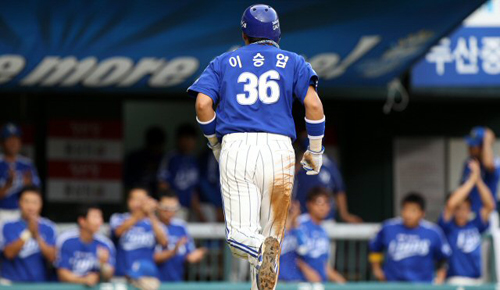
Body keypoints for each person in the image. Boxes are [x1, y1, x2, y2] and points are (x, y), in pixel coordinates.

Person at [188, 4, 325, 290]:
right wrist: (315, 150)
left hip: (238, 146)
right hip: (281, 150)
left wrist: (214, 141)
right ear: (277, 34)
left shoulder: (225, 61)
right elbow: (313, 105)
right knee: (270, 245)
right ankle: (266, 252)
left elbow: (202, 104)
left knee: (242, 238)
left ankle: (260, 249)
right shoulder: (294, 61)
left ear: (244, 34)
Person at [369, 193, 451, 283]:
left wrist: (439, 280)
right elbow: (374, 248)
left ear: (422, 213)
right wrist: (377, 270)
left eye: (413, 210)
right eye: (405, 209)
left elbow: (443, 259)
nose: (408, 215)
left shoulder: (433, 232)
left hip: (422, 285)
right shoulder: (388, 227)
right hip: (393, 284)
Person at [438, 159, 495, 285]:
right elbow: (451, 204)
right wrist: (470, 181)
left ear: (470, 210)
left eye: (465, 209)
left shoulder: (475, 224)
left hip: (477, 280)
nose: (462, 212)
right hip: (455, 280)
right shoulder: (448, 226)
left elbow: (490, 205)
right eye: (459, 208)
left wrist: (478, 180)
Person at [280, 190, 345, 283]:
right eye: (319, 203)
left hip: (317, 284)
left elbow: (323, 264)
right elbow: (294, 254)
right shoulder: (299, 223)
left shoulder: (323, 231)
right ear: (309, 204)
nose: (323, 207)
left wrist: (342, 283)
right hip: (295, 282)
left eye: (327, 203)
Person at [293, 136, 361, 222]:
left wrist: (344, 213)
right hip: (302, 216)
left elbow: (339, 189)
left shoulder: (328, 164)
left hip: (326, 218)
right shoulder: (297, 166)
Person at [0, 186, 56, 282]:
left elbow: (53, 258)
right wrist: (28, 233)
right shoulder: (7, 225)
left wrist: (37, 236)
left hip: (39, 284)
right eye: (26, 201)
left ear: (41, 204)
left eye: (34, 202)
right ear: (19, 203)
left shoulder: (49, 227)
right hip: (11, 283)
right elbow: (9, 254)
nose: (30, 206)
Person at [110, 187, 168, 276]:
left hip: (146, 275)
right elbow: (118, 231)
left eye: (143, 200)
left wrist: (151, 214)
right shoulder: (119, 218)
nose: (141, 203)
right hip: (123, 274)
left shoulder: (153, 222)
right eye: (137, 199)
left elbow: (164, 242)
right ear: (129, 202)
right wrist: (141, 212)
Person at [154, 191, 207, 282]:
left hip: (177, 281)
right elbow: (152, 257)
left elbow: (189, 253)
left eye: (174, 208)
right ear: (158, 207)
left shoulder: (180, 226)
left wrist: (194, 255)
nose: (169, 212)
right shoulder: (150, 224)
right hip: (153, 282)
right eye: (166, 208)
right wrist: (173, 251)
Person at [56, 205, 115, 286]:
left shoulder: (105, 244)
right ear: (82, 221)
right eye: (95, 217)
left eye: (100, 217)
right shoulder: (66, 241)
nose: (100, 222)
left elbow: (108, 277)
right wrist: (83, 280)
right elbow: (62, 274)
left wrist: (103, 265)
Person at [157, 124, 204, 221]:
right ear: (179, 139)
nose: (189, 142)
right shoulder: (171, 158)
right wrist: (169, 205)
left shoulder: (194, 160)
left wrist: (199, 211)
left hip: (189, 207)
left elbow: (193, 189)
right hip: (173, 207)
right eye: (186, 139)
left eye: (191, 139)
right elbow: (162, 184)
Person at [0, 123, 40, 221]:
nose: (13, 143)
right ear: (2, 142)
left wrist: (27, 186)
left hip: (22, 214)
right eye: (9, 139)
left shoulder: (27, 164)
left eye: (16, 139)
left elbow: (36, 193)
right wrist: (8, 184)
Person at [462, 127, 499, 215]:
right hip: (470, 213)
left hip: (486, 213)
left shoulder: (494, 163)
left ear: (482, 147)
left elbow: (489, 164)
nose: (470, 147)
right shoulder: (469, 162)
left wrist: (487, 141)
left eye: (473, 145)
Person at [124, 126, 167, 196]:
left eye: (158, 146)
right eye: (153, 145)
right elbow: (128, 181)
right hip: (138, 197)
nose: (155, 150)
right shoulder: (135, 158)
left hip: (159, 198)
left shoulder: (166, 159)